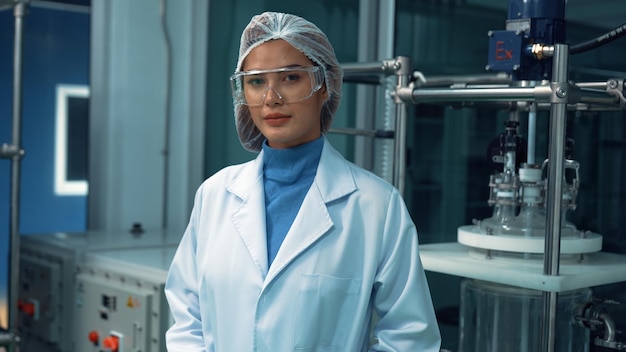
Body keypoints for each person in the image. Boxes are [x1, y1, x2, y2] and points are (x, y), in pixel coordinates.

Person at [164, 11, 442, 351]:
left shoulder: (376, 208)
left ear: (324, 86)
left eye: (290, 77)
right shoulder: (215, 194)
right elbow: (187, 318)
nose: (271, 98)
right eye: (256, 81)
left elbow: (409, 337)